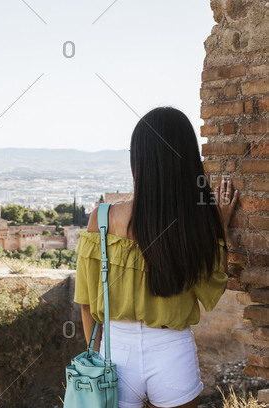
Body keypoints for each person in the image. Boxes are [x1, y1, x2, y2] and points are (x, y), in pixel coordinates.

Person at [74, 106, 239, 408]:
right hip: (171, 349)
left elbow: (86, 304)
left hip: (114, 350)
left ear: (138, 160)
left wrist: (97, 356)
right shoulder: (198, 222)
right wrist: (221, 227)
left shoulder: (101, 219)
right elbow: (213, 288)